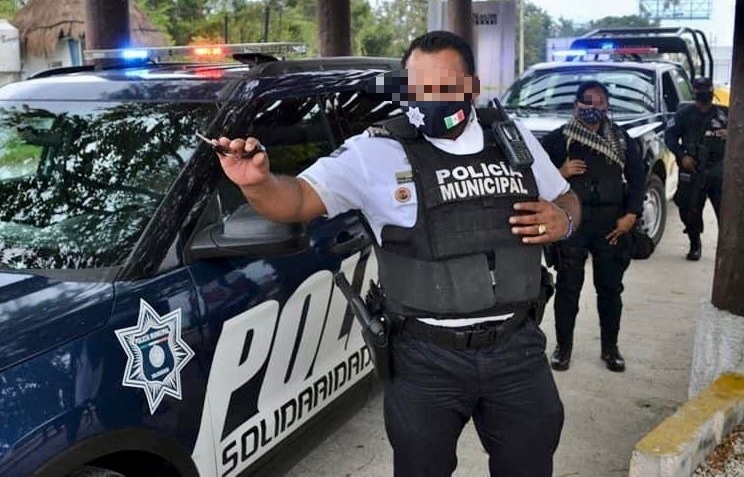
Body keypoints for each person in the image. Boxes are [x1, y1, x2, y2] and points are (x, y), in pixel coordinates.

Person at [211, 31, 581, 477]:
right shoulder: (375, 151)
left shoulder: (510, 137)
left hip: (516, 348)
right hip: (426, 358)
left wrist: (564, 220)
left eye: (442, 87)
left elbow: (566, 198)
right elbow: (295, 201)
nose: (428, 99)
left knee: (529, 466)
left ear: (472, 87)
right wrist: (257, 183)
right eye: (417, 88)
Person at [539, 81, 644, 373]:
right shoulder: (559, 140)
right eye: (588, 101)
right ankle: (563, 348)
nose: (594, 107)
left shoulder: (622, 140)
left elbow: (638, 177)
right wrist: (562, 171)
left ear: (607, 105)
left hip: (612, 225)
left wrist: (632, 214)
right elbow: (537, 177)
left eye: (600, 101)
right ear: (576, 105)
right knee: (568, 288)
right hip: (573, 224)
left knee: (610, 289)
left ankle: (610, 349)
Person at [665, 76, 729, 261]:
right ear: (694, 91)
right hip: (692, 168)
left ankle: (726, 250)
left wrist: (730, 133)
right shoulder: (684, 114)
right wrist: (681, 156)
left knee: (725, 212)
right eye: (699, 88)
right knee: (688, 209)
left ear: (712, 89)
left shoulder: (725, 113)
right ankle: (695, 244)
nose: (704, 92)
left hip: (719, 169)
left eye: (707, 88)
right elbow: (670, 137)